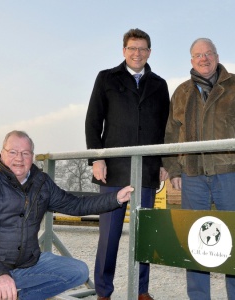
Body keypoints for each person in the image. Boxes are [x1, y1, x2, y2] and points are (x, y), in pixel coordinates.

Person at [162, 38, 235, 300]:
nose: (203, 59)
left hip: (230, 173)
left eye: (208, 54)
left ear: (217, 55)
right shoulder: (181, 92)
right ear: (191, 60)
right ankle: (198, 297)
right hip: (192, 175)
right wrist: (174, 169)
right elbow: (170, 135)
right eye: (197, 55)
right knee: (195, 243)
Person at [0, 130, 134, 300]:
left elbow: (75, 205)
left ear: (32, 156)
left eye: (25, 153)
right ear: (2, 153)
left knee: (78, 271)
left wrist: (115, 198)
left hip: (27, 263)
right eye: (13, 152)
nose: (19, 158)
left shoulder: (41, 183)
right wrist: (0, 274)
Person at [85, 28, 170, 300]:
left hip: (146, 170)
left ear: (149, 52)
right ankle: (103, 291)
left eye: (143, 48)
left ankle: (141, 289)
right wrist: (97, 159)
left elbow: (165, 128)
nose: (137, 53)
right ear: (124, 51)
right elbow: (93, 121)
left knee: (143, 235)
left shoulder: (159, 84)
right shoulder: (106, 78)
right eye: (132, 48)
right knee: (109, 236)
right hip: (113, 170)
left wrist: (164, 161)